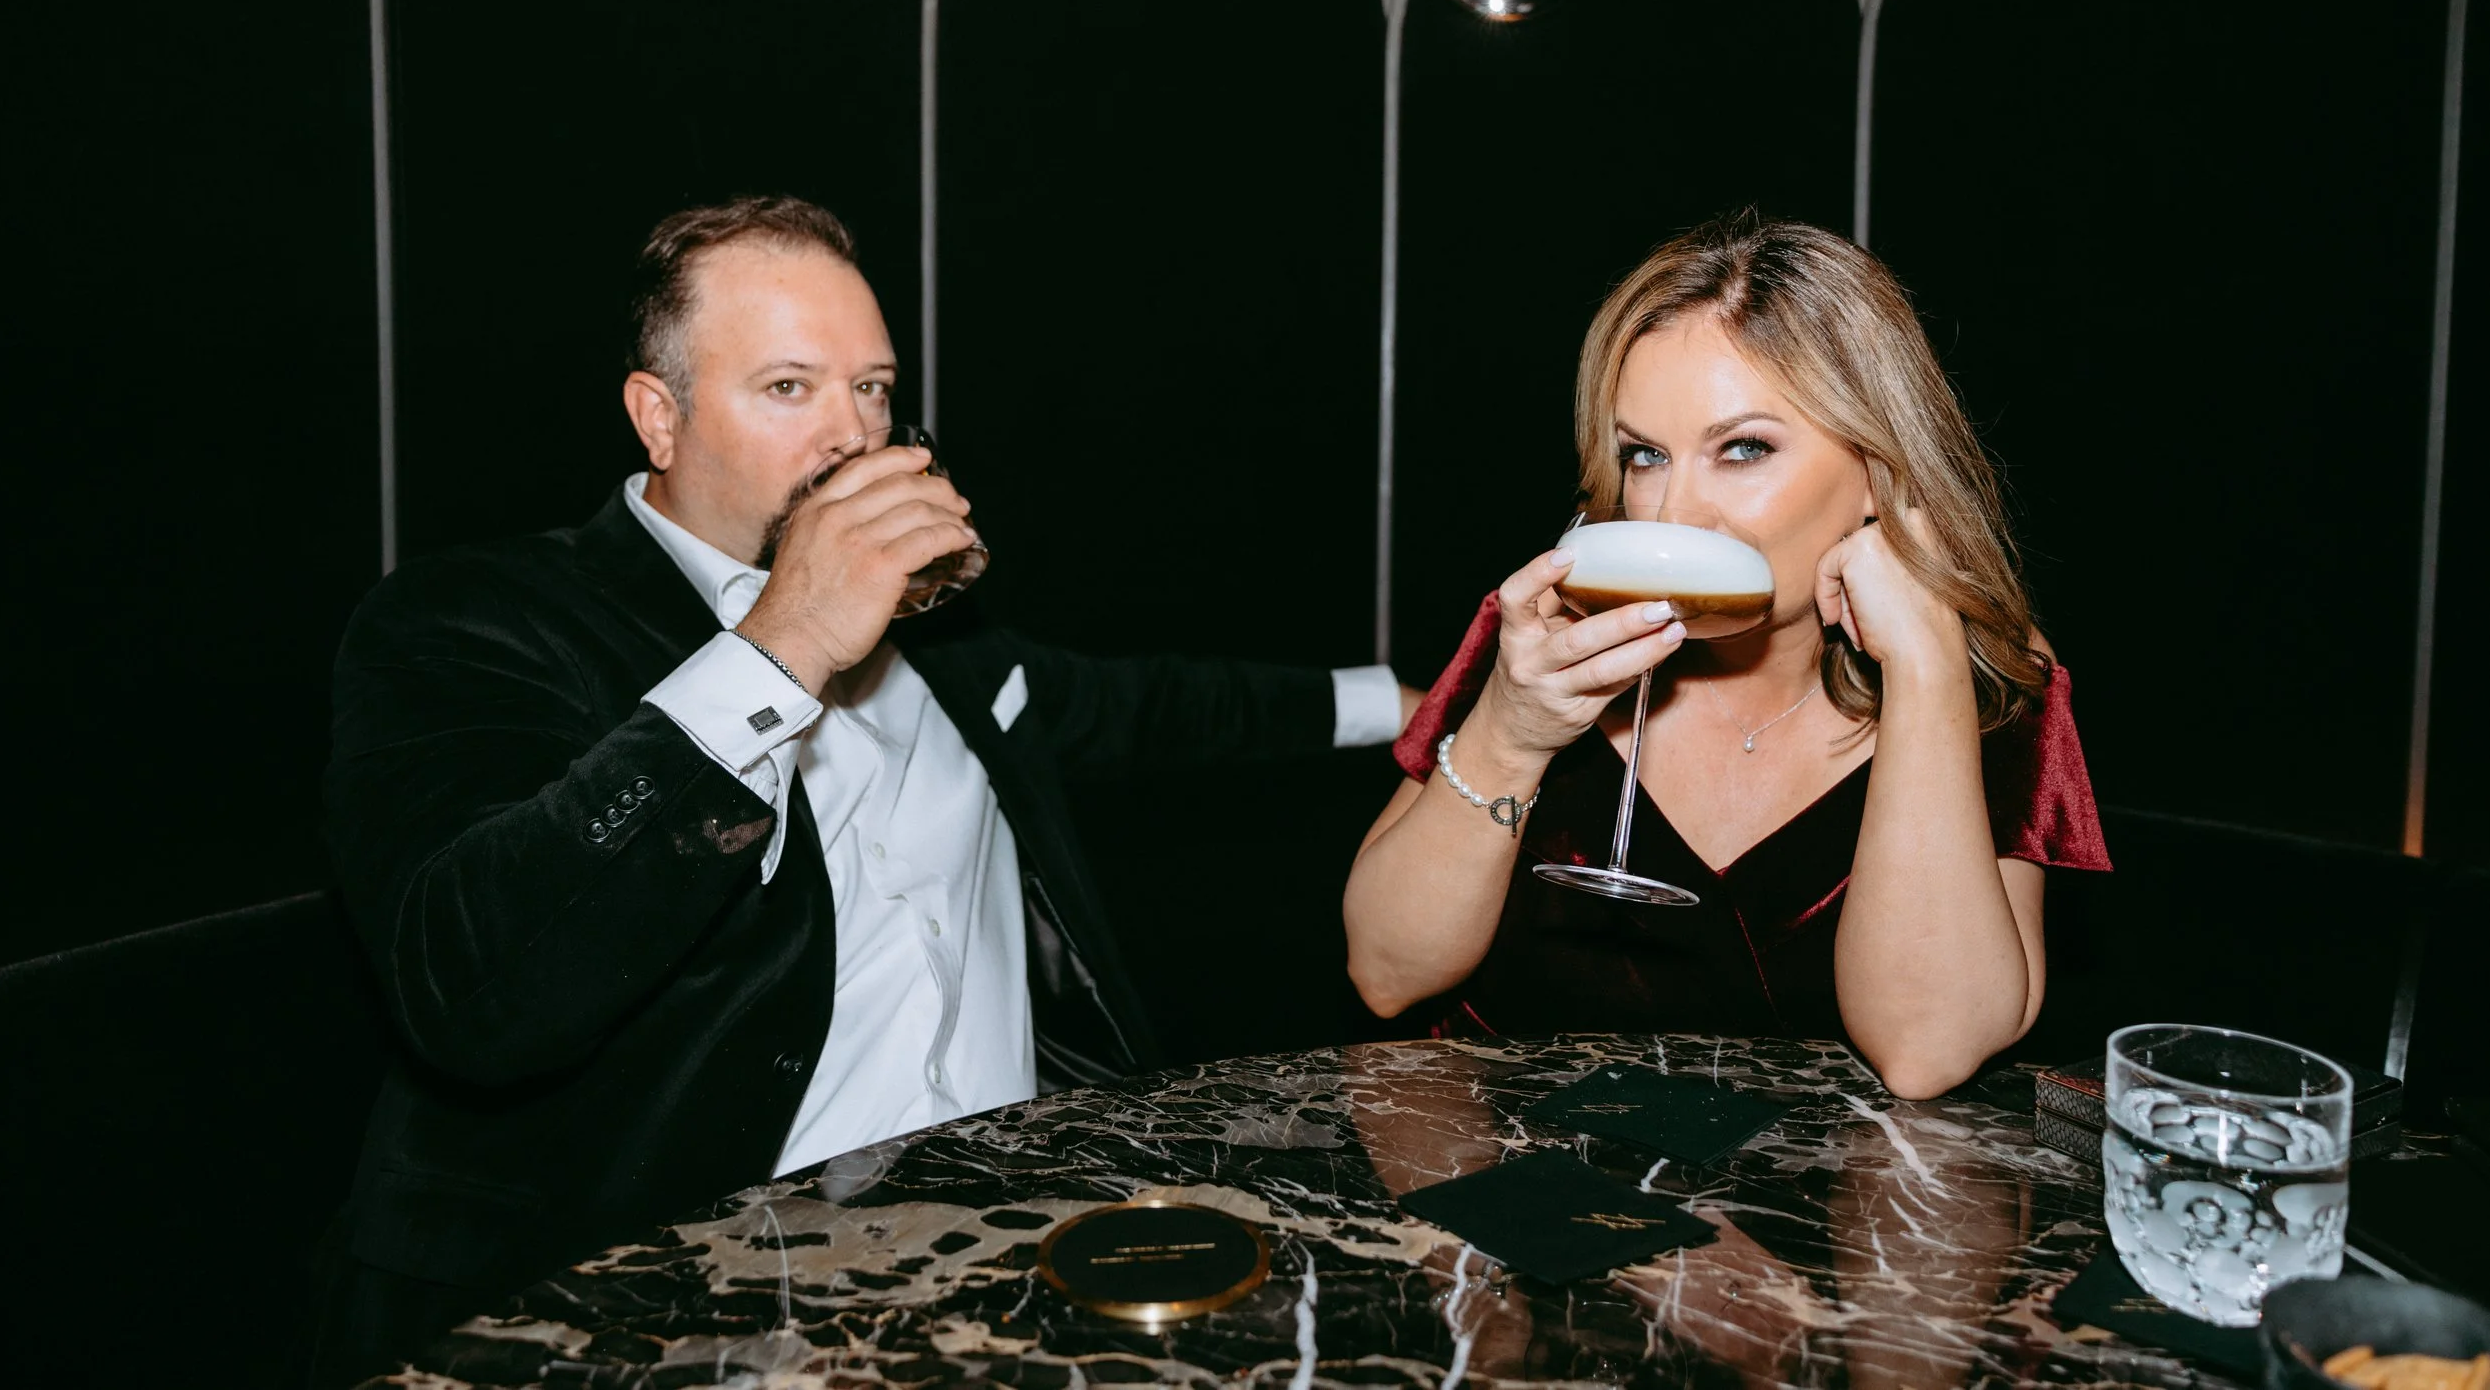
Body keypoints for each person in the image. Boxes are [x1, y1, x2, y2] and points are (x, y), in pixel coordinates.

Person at [312, 194, 1415, 1385]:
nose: (856, 436)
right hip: (677, 1307)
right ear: (659, 417)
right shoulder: (478, 618)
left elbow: (1162, 707)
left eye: (874, 389)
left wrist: (1425, 698)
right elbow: (474, 989)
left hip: (1002, 1272)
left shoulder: (947, 645)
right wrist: (781, 646)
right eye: (789, 388)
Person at [1342, 211, 2107, 1100]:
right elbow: (1385, 972)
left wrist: (1926, 671)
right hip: (1507, 1180)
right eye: (1645, 456)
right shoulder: (1551, 635)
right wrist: (1512, 733)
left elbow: (1927, 1049)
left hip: (1804, 1222)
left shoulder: (1984, 674)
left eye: (1743, 449)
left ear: (1876, 471)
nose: (1671, 516)